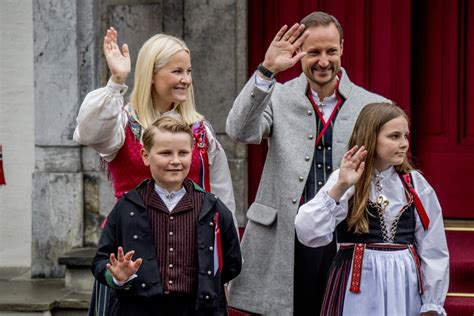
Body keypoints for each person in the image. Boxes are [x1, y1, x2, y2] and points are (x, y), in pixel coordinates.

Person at [226, 11, 389, 315]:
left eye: (331, 51)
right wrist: (267, 71)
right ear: (299, 53)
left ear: (342, 47)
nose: (323, 61)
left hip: (345, 236)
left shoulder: (373, 105)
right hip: (284, 237)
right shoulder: (276, 96)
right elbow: (239, 131)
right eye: (313, 52)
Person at [74, 27, 237, 315]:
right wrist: (116, 81)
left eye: (188, 71)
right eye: (177, 71)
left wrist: (218, 261)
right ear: (151, 73)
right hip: (132, 255)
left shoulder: (200, 129)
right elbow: (87, 132)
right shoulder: (121, 122)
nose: (186, 79)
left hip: (190, 260)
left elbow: (221, 195)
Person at [295, 103, 449, 316]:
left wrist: (432, 303)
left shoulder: (415, 185)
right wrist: (340, 186)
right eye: (394, 136)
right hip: (358, 287)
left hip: (403, 284)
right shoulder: (347, 180)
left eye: (405, 136)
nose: (403, 143)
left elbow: (433, 246)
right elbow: (308, 232)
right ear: (371, 137)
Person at [91, 116, 242, 316]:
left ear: (192, 155)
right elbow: (101, 260)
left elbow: (232, 263)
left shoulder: (212, 208)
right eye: (165, 153)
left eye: (183, 153)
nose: (175, 161)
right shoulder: (126, 207)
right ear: (145, 156)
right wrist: (118, 277)